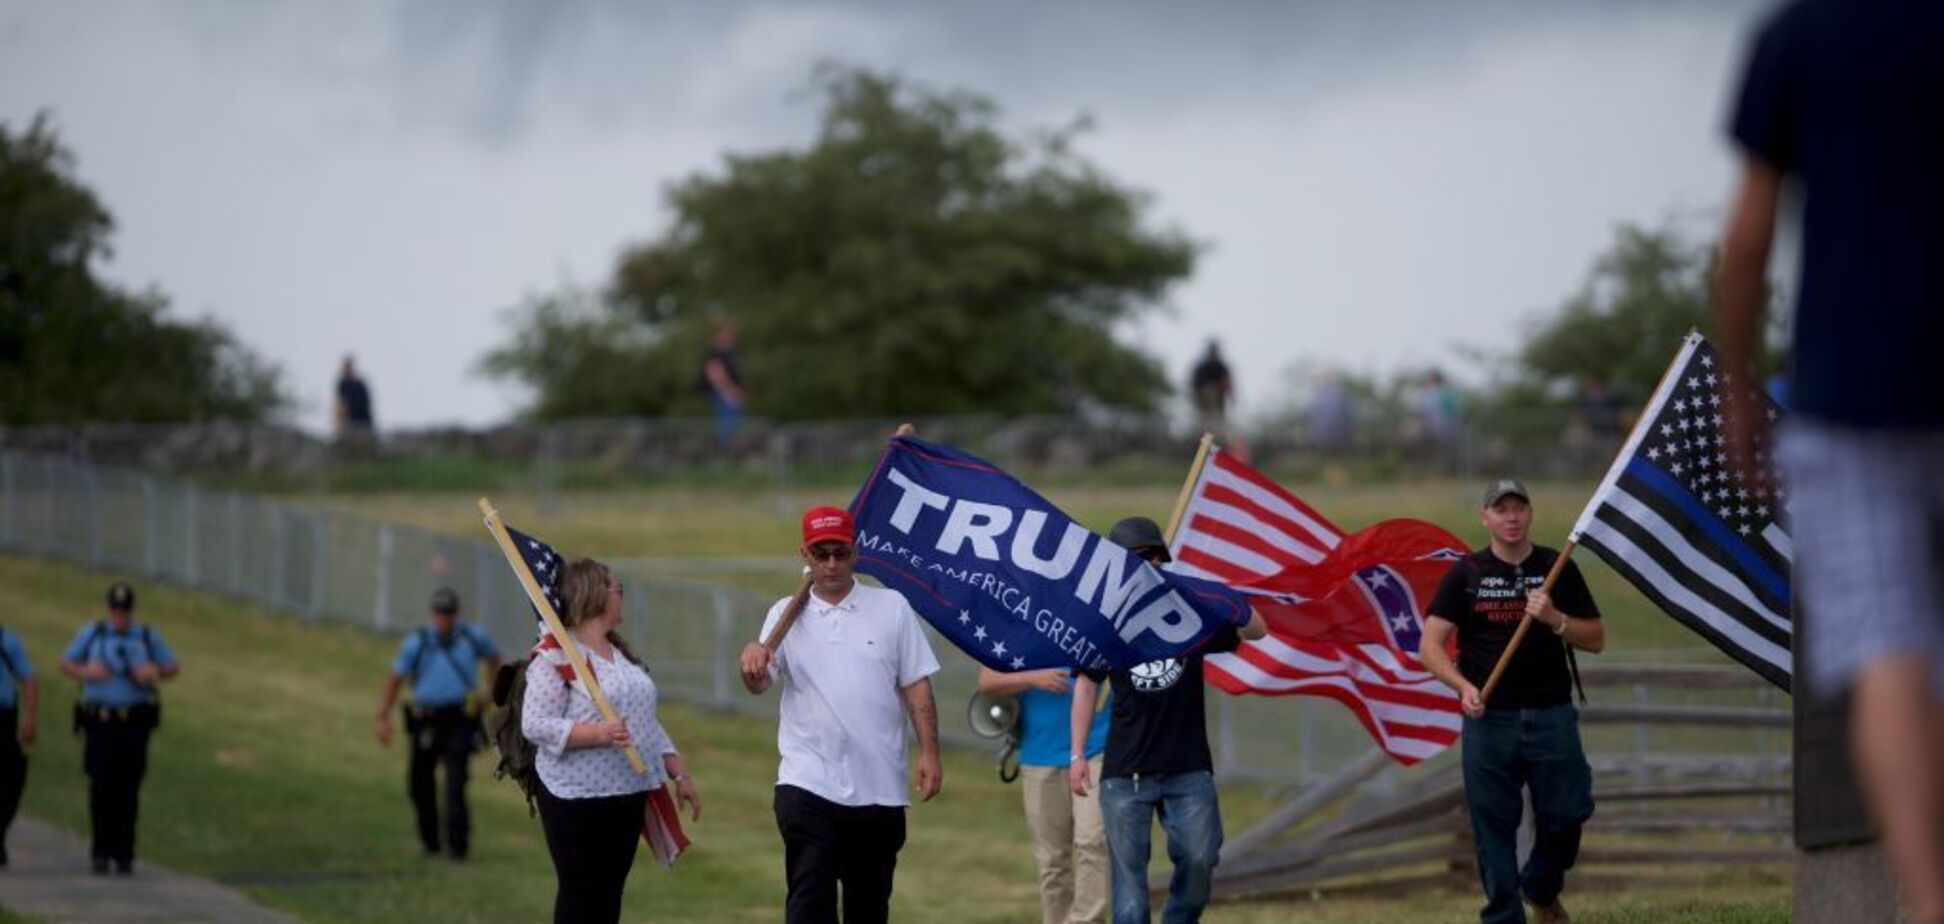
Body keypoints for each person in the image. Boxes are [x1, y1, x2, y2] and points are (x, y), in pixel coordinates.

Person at [1716, 5, 1944, 921]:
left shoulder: (1798, 39)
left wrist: (1738, 385)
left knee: (1886, 649)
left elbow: (1747, 238)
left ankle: (1928, 902)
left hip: (1849, 388)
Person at [738, 505, 941, 924]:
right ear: (805, 555)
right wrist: (751, 664)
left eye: (840, 553)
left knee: (868, 907)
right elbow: (760, 685)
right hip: (807, 782)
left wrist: (929, 753)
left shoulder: (891, 607)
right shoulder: (783, 616)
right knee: (810, 902)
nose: (831, 563)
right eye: (821, 553)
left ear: (856, 553)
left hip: (879, 789)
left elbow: (916, 684)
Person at [1418, 481, 1605, 924]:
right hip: (1490, 720)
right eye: (1501, 509)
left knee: (1568, 812)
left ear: (1530, 514)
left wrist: (1555, 619)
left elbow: (1595, 638)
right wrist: (1461, 686)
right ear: (1485, 517)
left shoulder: (1556, 569)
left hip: (1552, 714)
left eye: (1519, 508)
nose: (1511, 517)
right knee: (1493, 828)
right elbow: (1429, 646)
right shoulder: (1466, 574)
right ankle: (1504, 917)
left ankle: (1540, 887)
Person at [1068, 516, 1267, 924]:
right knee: (1129, 896)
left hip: (1188, 767)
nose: (1145, 565)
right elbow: (1086, 685)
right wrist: (1076, 755)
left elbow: (1256, 630)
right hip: (1126, 771)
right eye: (1134, 559)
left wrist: (1215, 596)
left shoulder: (1189, 612)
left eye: (1152, 556)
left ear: (1163, 558)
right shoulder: (1106, 620)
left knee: (1200, 858)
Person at [522, 559, 699, 924]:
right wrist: (596, 734)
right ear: (597, 595)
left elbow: (646, 724)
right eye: (619, 589)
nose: (622, 597)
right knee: (580, 892)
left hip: (627, 792)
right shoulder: (555, 655)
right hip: (575, 795)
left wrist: (679, 774)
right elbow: (535, 724)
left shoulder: (620, 656)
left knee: (609, 892)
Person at [58, 582, 180, 875]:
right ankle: (101, 850)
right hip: (100, 721)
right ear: (108, 609)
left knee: (129, 788)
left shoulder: (146, 637)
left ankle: (124, 852)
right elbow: (66, 663)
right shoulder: (94, 634)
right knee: (101, 786)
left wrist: (154, 672)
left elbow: (172, 667)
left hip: (133, 722)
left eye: (124, 611)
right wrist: (87, 672)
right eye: (115, 609)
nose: (119, 616)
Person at [976, 662, 1110, 924]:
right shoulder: (1020, 624)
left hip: (1097, 748)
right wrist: (1034, 678)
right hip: (1039, 752)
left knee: (1093, 841)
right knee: (1052, 859)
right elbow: (987, 680)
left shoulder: (1096, 621)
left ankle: (1086, 920)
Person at [375, 587, 502, 861]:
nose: (442, 619)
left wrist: (489, 696)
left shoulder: (471, 637)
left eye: (447, 614)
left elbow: (495, 659)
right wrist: (383, 717)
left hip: (459, 719)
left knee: (455, 784)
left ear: (455, 614)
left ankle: (458, 849)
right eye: (438, 614)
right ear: (432, 614)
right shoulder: (418, 642)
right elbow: (395, 679)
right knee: (419, 782)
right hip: (426, 719)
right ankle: (430, 842)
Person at [0, 622, 37, 868]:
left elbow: (28, 678)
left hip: (3, 717)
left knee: (9, 780)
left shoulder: (7, 641)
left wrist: (30, 716)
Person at [699, 318, 745, 445]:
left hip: (728, 392)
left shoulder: (730, 352)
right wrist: (728, 391)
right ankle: (722, 448)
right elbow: (715, 373)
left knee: (733, 420)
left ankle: (727, 446)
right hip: (721, 393)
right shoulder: (716, 353)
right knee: (727, 420)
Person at [1188, 341, 1233, 430]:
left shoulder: (1221, 367)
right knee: (1206, 424)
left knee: (1216, 423)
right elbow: (1193, 384)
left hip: (1218, 403)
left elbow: (1228, 383)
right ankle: (1207, 434)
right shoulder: (1201, 367)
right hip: (1203, 400)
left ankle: (1214, 433)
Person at [335, 355, 375, 449]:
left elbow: (367, 404)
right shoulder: (342, 384)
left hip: (362, 422)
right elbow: (340, 404)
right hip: (350, 422)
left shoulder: (360, 385)